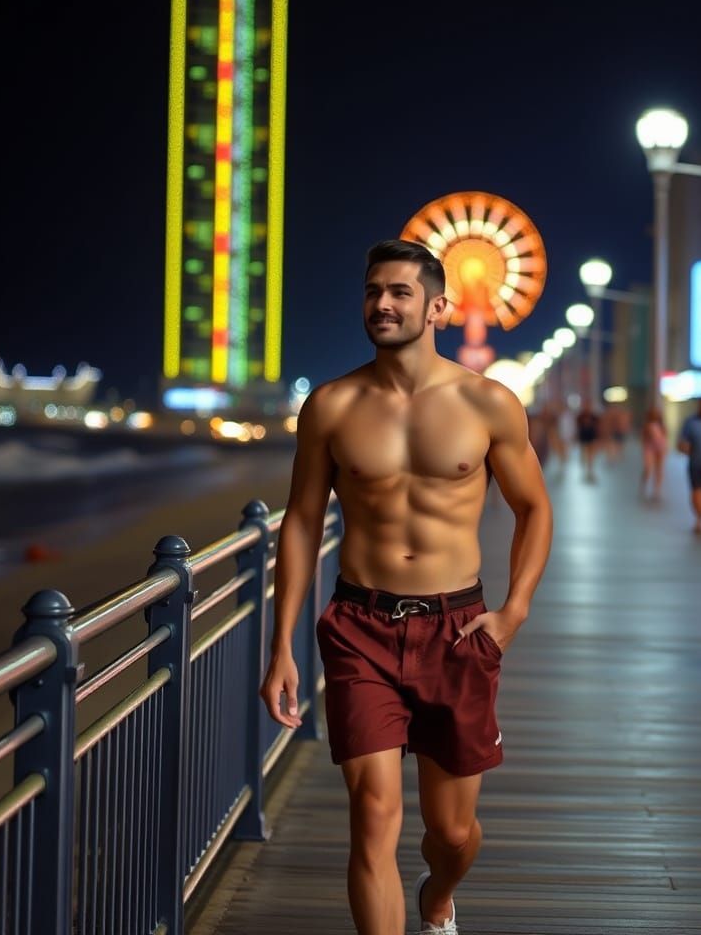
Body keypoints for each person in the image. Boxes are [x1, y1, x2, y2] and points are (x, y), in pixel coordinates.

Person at [260, 239, 553, 935]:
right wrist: (282, 647)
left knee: (451, 836)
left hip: (458, 631)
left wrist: (514, 611)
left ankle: (440, 896)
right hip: (360, 626)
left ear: (439, 307)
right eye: (372, 291)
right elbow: (300, 524)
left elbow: (534, 508)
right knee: (373, 815)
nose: (382, 303)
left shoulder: (488, 404)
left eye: (398, 292)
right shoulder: (331, 406)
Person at [677, 398, 701, 533]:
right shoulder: (691, 422)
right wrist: (687, 450)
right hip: (696, 463)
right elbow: (681, 443)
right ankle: (700, 517)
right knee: (697, 492)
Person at [640, 406, 668, 500]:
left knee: (659, 469)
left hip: (660, 447)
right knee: (648, 468)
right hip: (649, 447)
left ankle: (657, 490)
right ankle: (644, 485)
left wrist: (665, 448)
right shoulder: (647, 425)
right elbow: (643, 437)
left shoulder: (661, 425)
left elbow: (665, 436)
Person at [575, 401, 601, 482]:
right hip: (583, 437)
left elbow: (598, 427)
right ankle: (586, 468)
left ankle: (590, 470)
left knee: (590, 455)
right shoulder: (580, 416)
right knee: (584, 453)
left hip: (591, 437)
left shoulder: (594, 416)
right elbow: (577, 427)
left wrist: (599, 437)